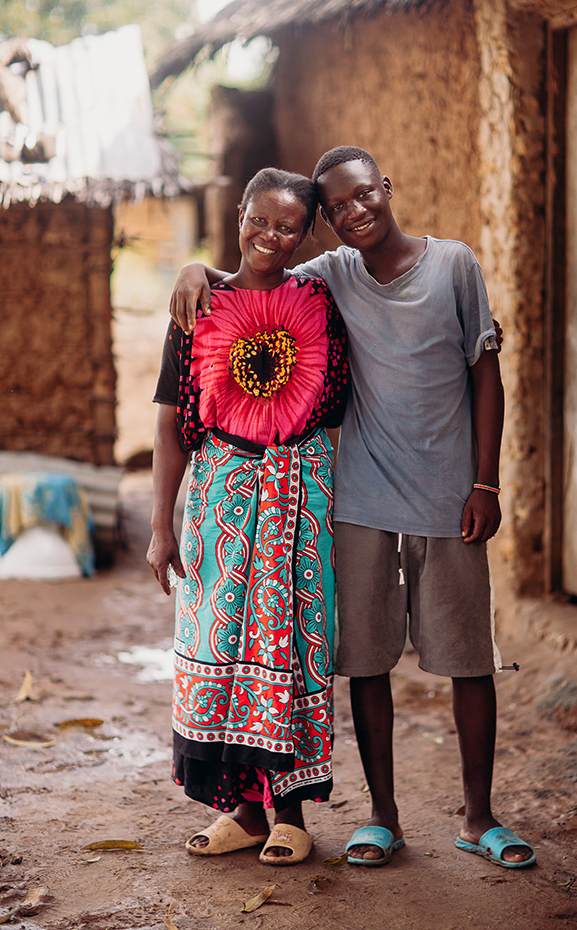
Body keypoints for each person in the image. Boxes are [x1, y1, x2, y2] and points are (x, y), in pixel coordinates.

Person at [169, 146, 536, 870]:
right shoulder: (330, 275)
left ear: (385, 187)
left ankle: (479, 815)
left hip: (448, 498)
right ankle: (381, 816)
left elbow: (483, 371)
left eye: (361, 195)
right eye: (335, 209)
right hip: (361, 499)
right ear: (325, 225)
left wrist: (485, 482)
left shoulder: (453, 264)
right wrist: (196, 271)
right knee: (366, 662)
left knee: (468, 661)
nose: (353, 212)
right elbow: (255, 272)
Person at [148, 167, 348, 866]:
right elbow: (173, 422)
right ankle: (241, 810)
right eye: (258, 219)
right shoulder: (195, 302)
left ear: (304, 234)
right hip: (220, 500)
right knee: (219, 638)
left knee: (288, 644)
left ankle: (290, 810)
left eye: (287, 226)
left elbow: (338, 402)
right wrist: (160, 524)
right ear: (238, 213)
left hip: (298, 498)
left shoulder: (317, 300)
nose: (270, 235)